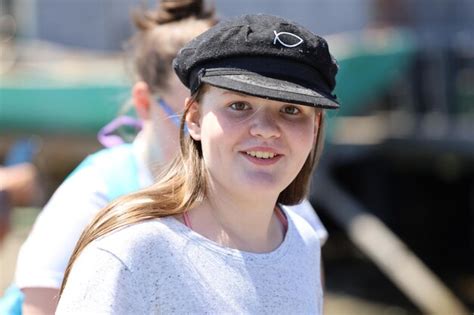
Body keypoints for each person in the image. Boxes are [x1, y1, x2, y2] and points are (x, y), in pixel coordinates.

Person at [3, 2, 328, 315]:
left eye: (291, 109)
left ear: (315, 127)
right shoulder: (124, 247)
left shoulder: (302, 240)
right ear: (194, 118)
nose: (266, 130)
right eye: (239, 105)